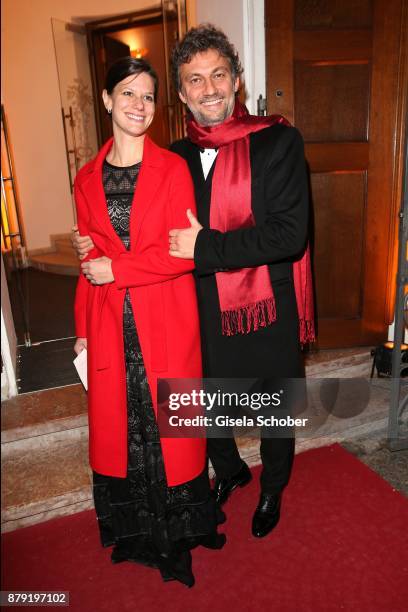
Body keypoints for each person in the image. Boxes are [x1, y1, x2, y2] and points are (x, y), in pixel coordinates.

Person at [73, 25, 314, 540]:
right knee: (199, 403)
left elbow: (289, 236)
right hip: (191, 303)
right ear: (180, 93)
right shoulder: (174, 156)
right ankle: (227, 471)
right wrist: (93, 244)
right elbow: (134, 223)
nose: (209, 90)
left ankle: (273, 488)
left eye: (219, 75)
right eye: (195, 80)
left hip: (264, 302)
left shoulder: (279, 141)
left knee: (271, 407)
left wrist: (207, 248)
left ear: (237, 81)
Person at [72, 56, 225, 588]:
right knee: (128, 429)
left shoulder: (173, 168)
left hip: (165, 315)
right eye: (129, 94)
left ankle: (179, 536)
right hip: (111, 320)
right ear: (108, 100)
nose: (139, 105)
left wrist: (117, 267)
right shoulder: (86, 177)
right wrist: (82, 329)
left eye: (148, 97)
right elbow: (87, 259)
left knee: (170, 432)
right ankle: (137, 533)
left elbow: (180, 254)